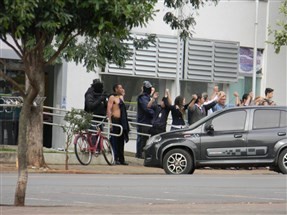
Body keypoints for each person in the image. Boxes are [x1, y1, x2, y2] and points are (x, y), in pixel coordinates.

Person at [107, 83, 130, 165]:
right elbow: (109, 110)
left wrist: (122, 95)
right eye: (120, 88)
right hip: (115, 120)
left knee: (121, 140)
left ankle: (121, 158)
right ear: (116, 89)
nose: (122, 89)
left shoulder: (121, 97)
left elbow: (123, 108)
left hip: (121, 121)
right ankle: (115, 157)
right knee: (115, 140)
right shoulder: (112, 97)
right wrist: (110, 122)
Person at [136, 81, 155, 158]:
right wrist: (154, 114)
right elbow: (146, 108)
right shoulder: (142, 97)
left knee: (145, 139)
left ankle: (142, 154)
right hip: (143, 121)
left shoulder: (147, 97)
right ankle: (140, 155)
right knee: (142, 139)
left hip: (147, 121)